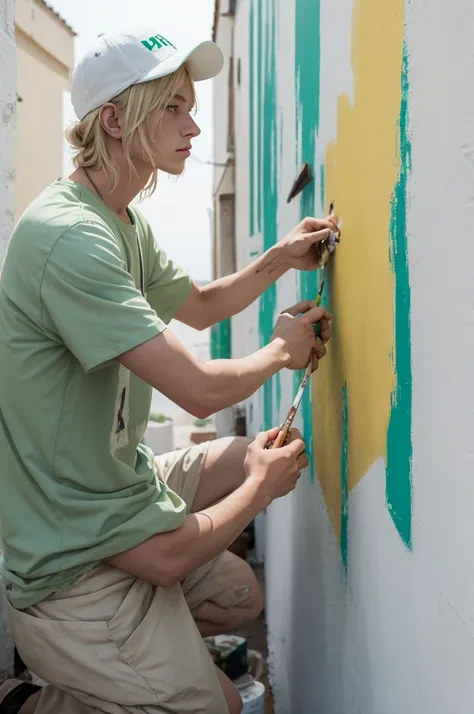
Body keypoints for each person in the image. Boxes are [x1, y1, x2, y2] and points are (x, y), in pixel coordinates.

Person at [0, 27, 338, 714]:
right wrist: (281, 354)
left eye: (191, 105)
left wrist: (279, 258)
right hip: (69, 556)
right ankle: (47, 697)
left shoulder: (120, 219)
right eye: (172, 107)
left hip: (111, 488)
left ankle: (125, 671)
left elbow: (205, 307)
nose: (193, 125)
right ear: (115, 121)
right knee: (217, 706)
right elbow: (197, 387)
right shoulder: (70, 237)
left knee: (240, 586)